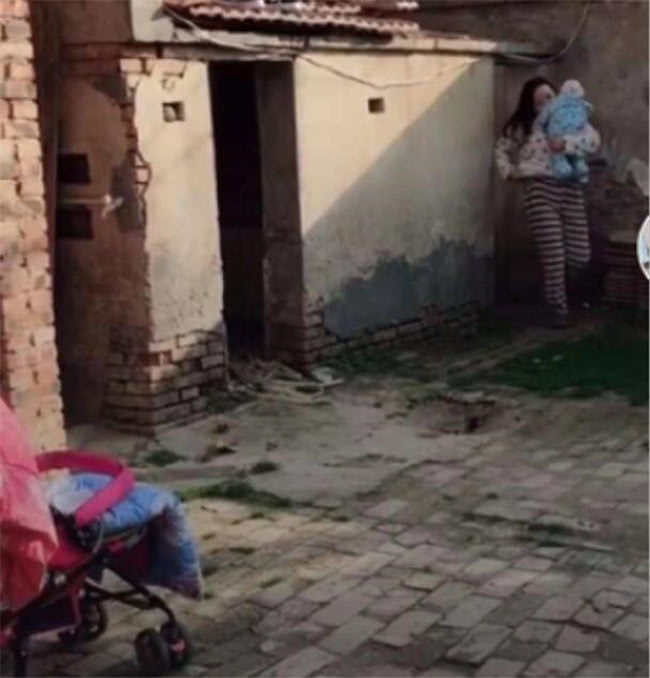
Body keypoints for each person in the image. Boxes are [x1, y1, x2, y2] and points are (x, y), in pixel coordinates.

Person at [495, 76, 601, 328]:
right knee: (554, 255)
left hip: (571, 189)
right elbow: (501, 149)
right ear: (531, 105)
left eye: (550, 97)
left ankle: (558, 294)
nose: (546, 104)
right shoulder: (525, 126)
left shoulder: (572, 119)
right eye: (539, 101)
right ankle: (558, 311)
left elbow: (593, 142)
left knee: (580, 256)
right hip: (540, 189)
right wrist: (509, 172)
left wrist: (566, 144)